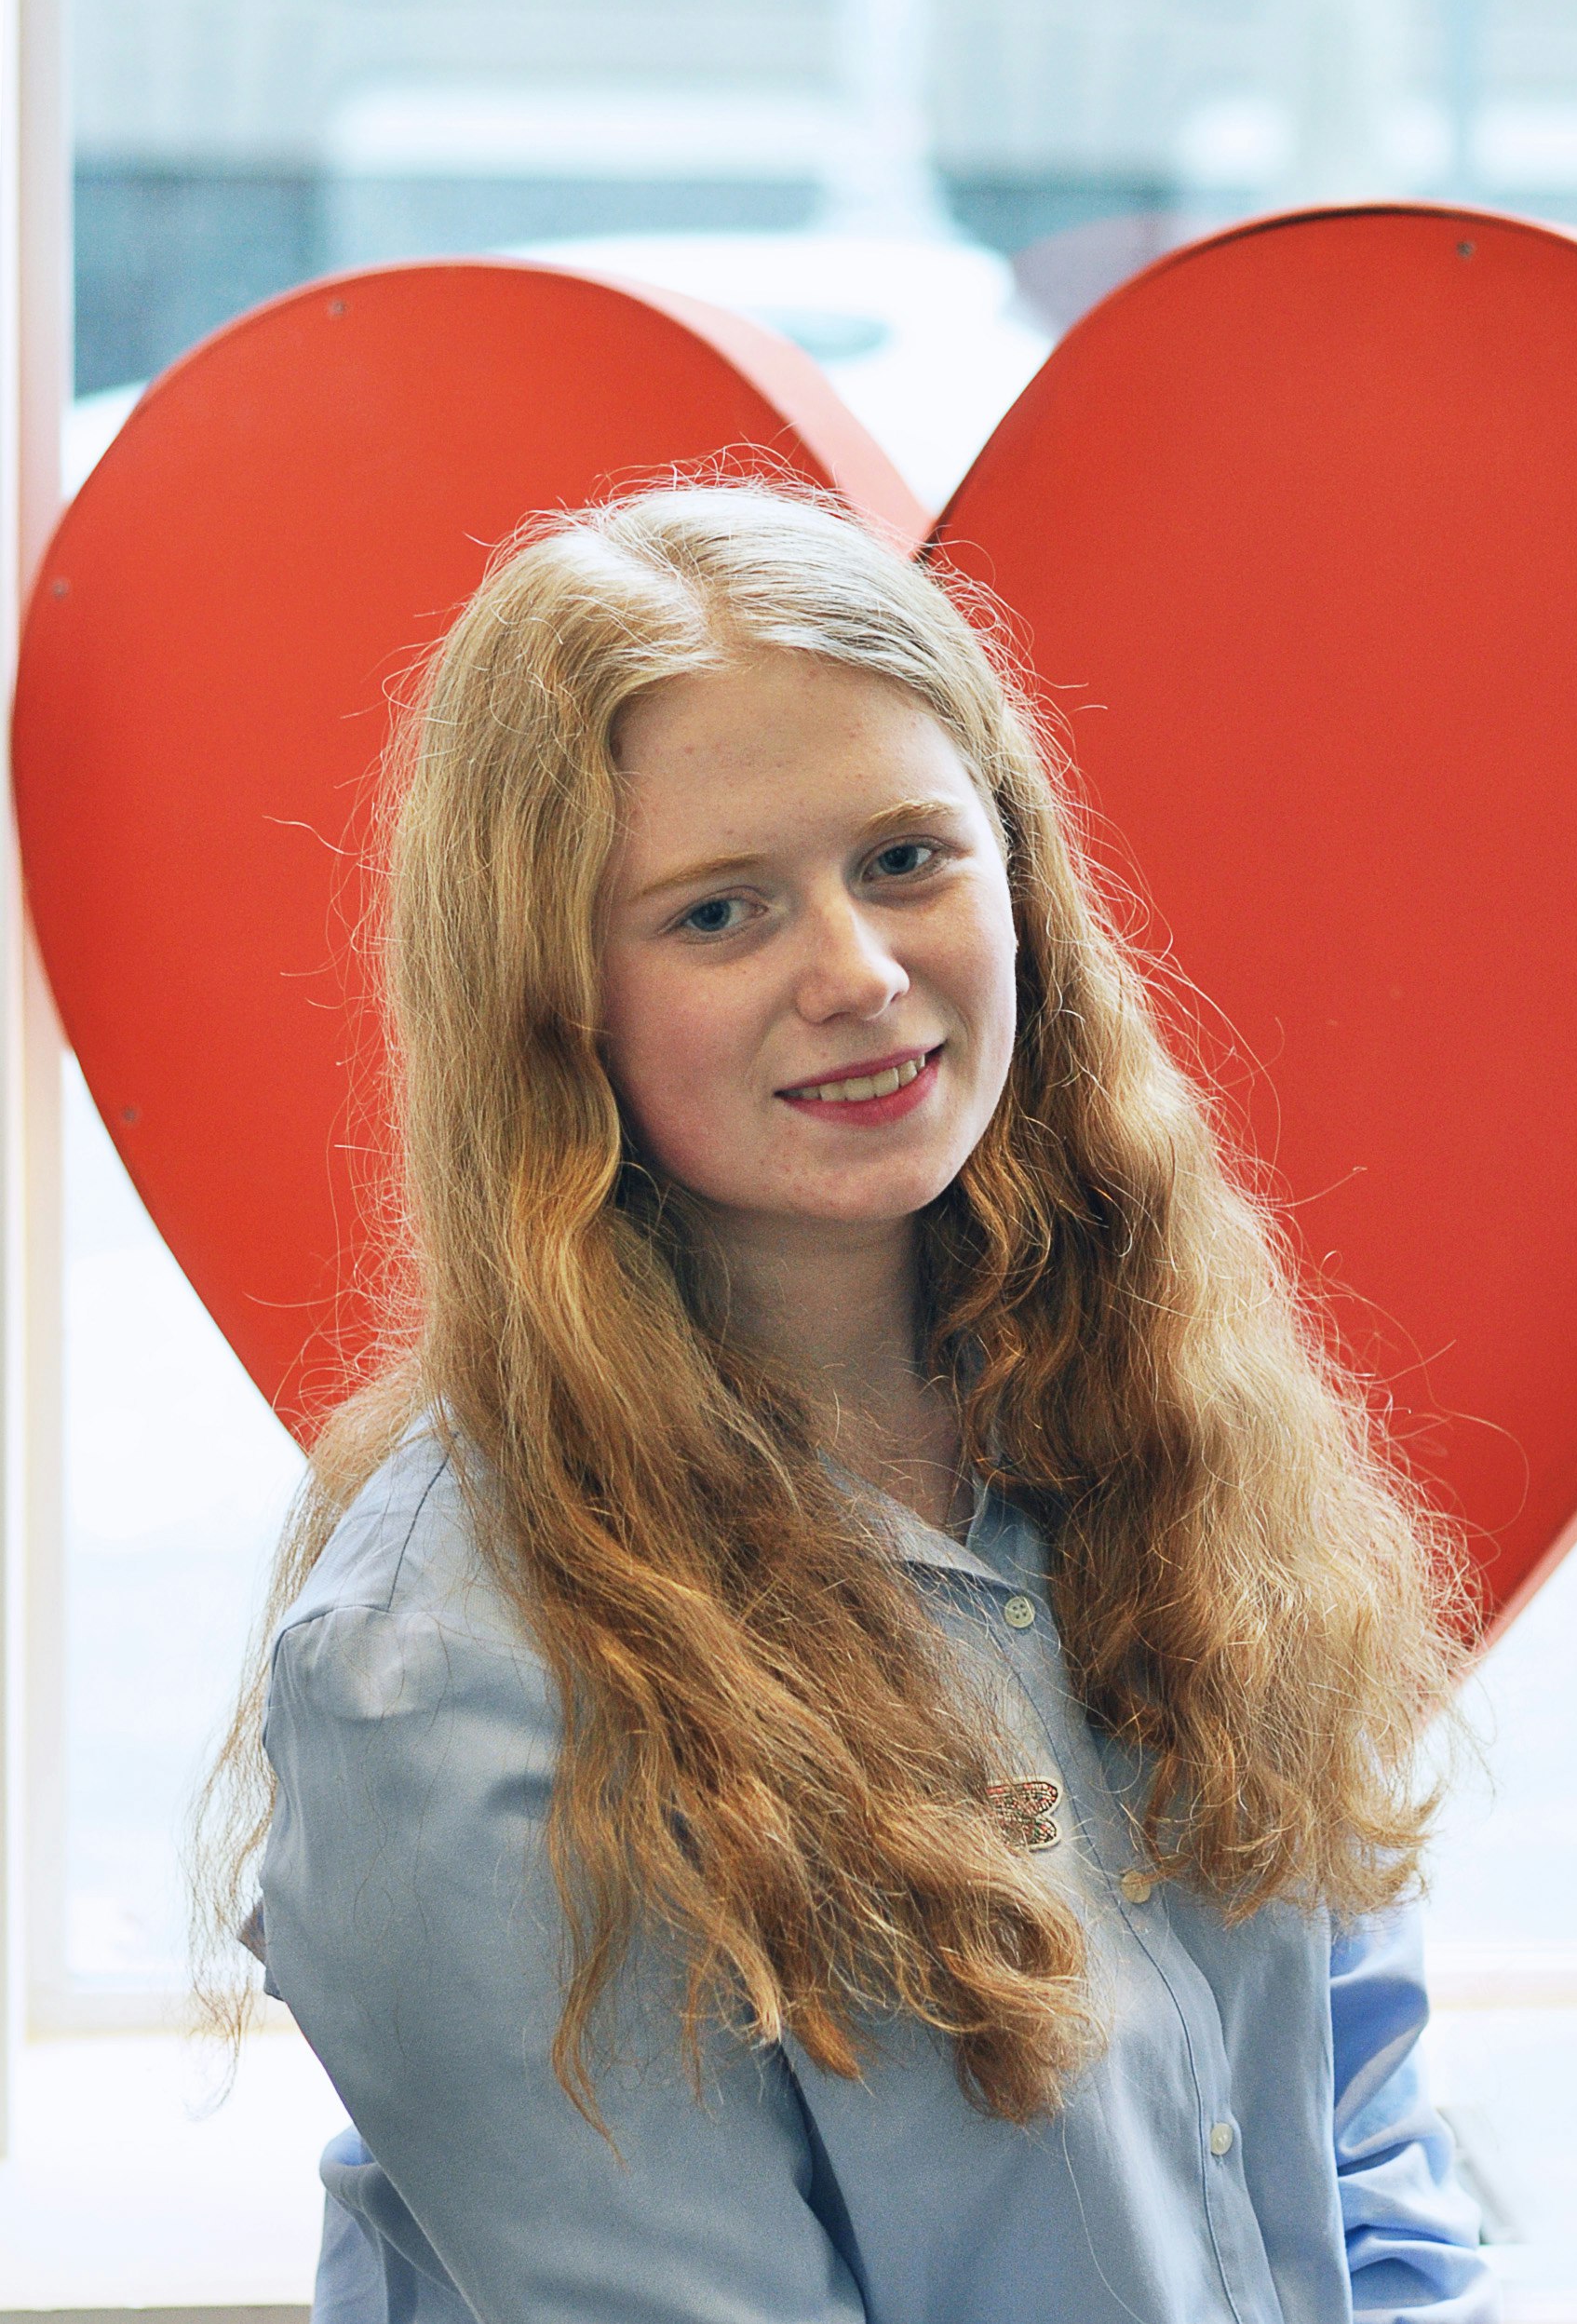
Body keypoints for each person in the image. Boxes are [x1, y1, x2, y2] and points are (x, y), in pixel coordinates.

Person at [201, 480, 1493, 2323]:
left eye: (905, 859)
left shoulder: (1165, 1439)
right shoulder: (452, 1677)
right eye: (719, 913)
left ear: (1016, 873)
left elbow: (1364, 2164)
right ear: (552, 1002)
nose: (861, 975)